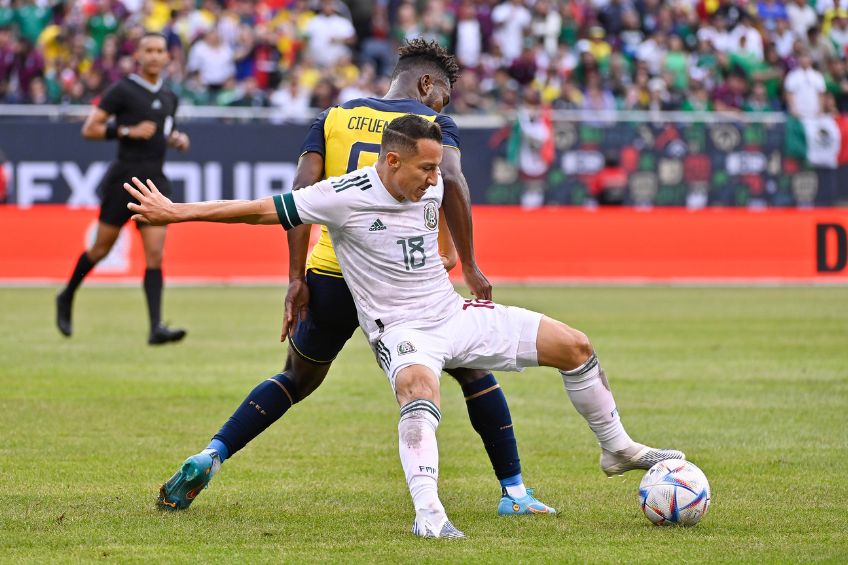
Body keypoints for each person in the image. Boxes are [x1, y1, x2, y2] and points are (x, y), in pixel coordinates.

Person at [124, 114, 685, 538]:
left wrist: (446, 255)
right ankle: (429, 513)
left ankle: (618, 449)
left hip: (452, 315)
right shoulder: (340, 197)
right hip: (402, 331)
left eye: (437, 167)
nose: (434, 178)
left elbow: (436, 217)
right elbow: (259, 210)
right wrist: (178, 212)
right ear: (391, 162)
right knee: (419, 391)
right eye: (425, 167)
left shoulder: (431, 184)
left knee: (575, 345)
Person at [154, 39, 554, 518]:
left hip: (330, 272)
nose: (443, 104)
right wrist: (467, 262)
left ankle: (210, 455)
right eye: (443, 94)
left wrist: (295, 278)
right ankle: (514, 494)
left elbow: (300, 195)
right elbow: (454, 183)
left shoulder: (333, 117)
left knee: (295, 378)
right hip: (400, 280)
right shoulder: (430, 126)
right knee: (473, 371)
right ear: (427, 84)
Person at [55, 32, 189, 345]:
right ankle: (66, 294)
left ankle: (156, 327)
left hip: (155, 181)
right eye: (149, 50)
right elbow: (90, 129)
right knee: (100, 248)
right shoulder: (123, 90)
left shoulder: (170, 96)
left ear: (168, 57)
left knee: (155, 254)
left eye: (160, 51)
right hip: (125, 181)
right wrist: (127, 129)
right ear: (138, 56)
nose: (155, 56)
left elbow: (164, 131)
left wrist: (176, 139)